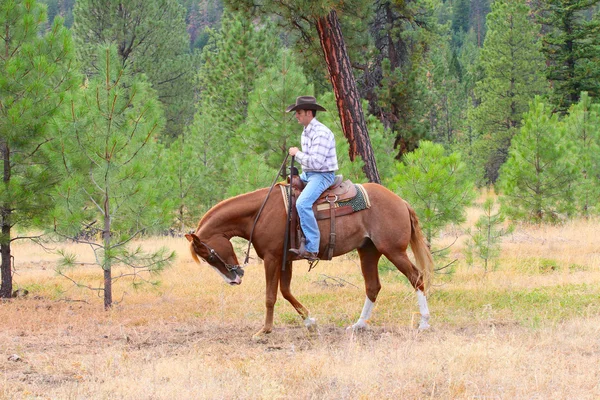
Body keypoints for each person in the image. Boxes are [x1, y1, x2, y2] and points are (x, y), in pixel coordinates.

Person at [286, 96, 338, 261]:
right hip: (309, 174)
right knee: (284, 191)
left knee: (302, 203)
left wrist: (297, 154)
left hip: (322, 175)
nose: (296, 116)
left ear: (309, 113)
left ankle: (312, 247)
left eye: (299, 112)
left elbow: (316, 162)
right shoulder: (306, 131)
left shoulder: (321, 133)